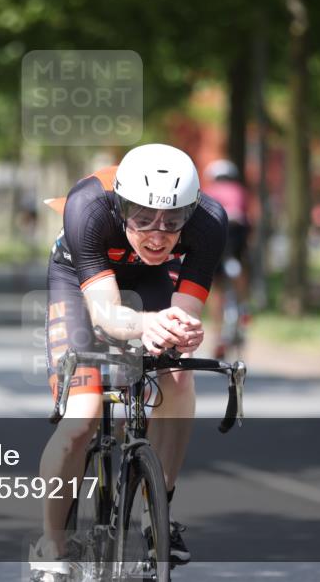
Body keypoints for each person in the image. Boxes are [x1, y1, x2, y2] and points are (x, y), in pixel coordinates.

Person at [33, 144, 228, 578]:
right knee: (83, 417)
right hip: (81, 279)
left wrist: (185, 329)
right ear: (121, 208)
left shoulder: (210, 222)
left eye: (172, 222)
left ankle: (158, 512)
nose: (158, 235)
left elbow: (185, 312)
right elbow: (106, 314)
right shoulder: (89, 207)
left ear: (191, 212)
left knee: (177, 379)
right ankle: (52, 545)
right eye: (142, 219)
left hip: (151, 279)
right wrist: (146, 326)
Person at [202, 159, 251, 356]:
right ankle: (244, 306)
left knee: (217, 287)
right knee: (241, 268)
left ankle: (217, 335)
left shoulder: (208, 191)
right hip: (238, 234)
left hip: (218, 235)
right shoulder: (241, 190)